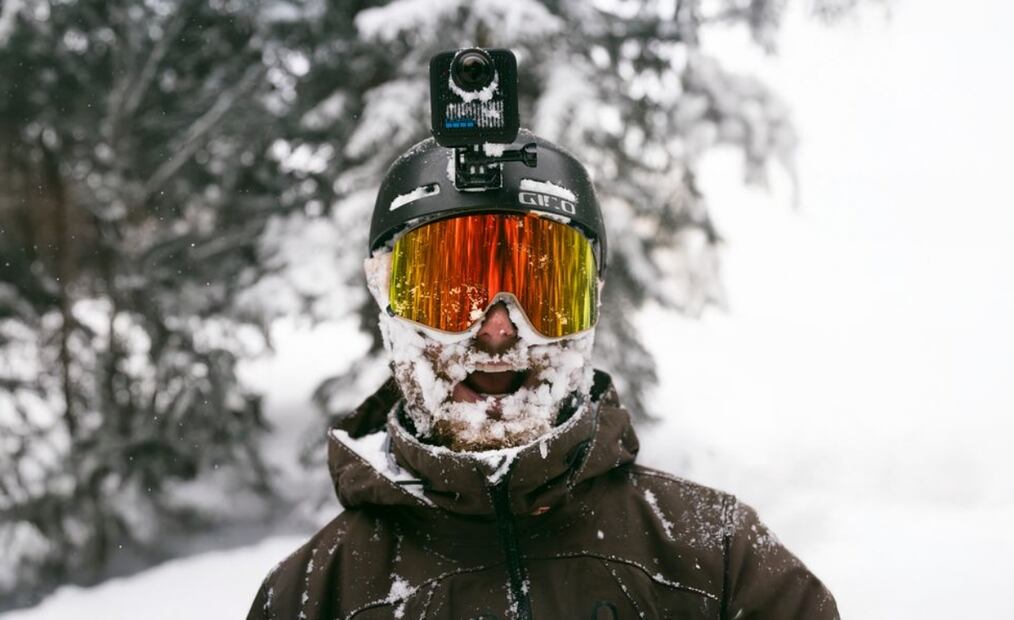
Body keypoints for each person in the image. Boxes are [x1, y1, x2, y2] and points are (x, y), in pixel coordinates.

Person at [245, 130, 839, 619]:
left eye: (543, 288)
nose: (498, 329)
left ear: (592, 304)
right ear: (386, 300)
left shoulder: (719, 560)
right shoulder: (311, 598)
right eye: (451, 292)